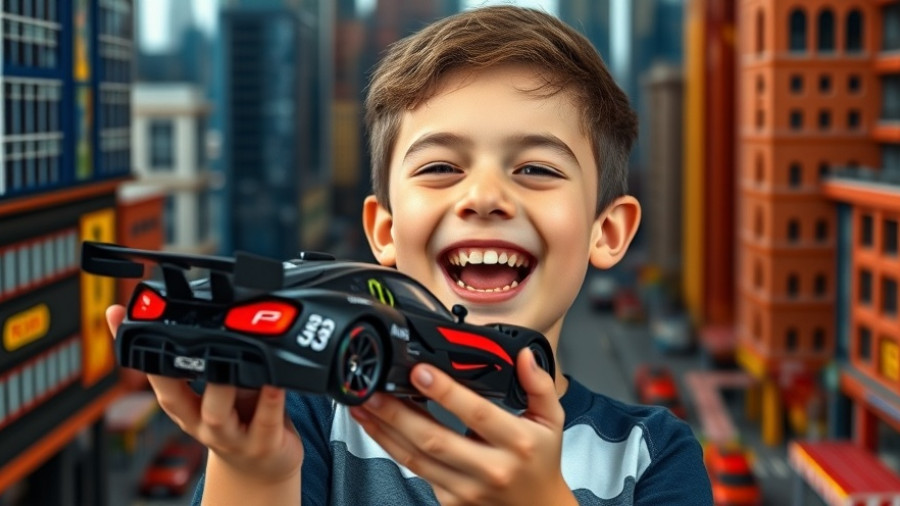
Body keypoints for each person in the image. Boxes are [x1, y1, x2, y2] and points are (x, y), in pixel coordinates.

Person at [106, 5, 712, 505]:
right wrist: (254, 470)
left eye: (534, 168)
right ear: (385, 231)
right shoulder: (313, 419)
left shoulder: (650, 454)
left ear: (607, 231)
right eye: (441, 167)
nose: (483, 196)